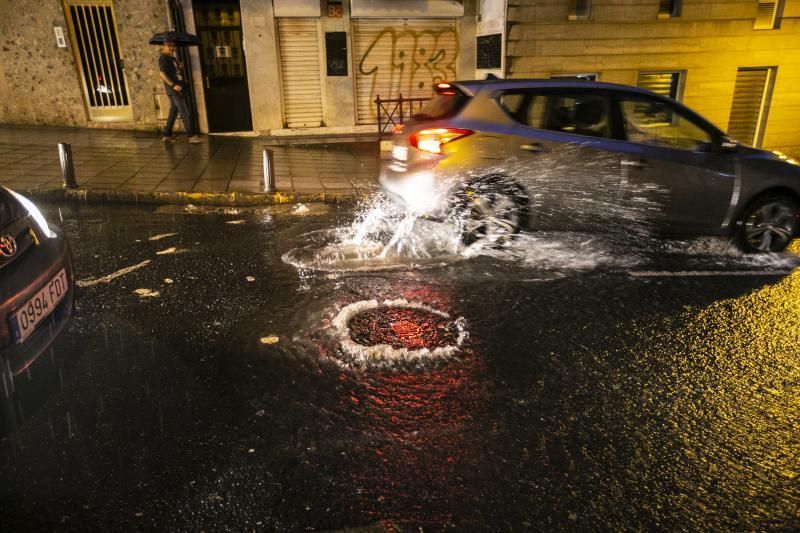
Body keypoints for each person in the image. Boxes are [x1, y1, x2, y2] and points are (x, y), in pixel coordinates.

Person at [158, 42, 201, 143]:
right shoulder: (163, 58)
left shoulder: (171, 58)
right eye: (169, 46)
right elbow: (162, 74)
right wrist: (173, 85)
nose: (172, 48)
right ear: (164, 46)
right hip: (174, 89)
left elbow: (174, 73)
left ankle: (167, 135)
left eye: (173, 46)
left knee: (173, 111)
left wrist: (178, 67)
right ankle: (191, 136)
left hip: (177, 87)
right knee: (184, 111)